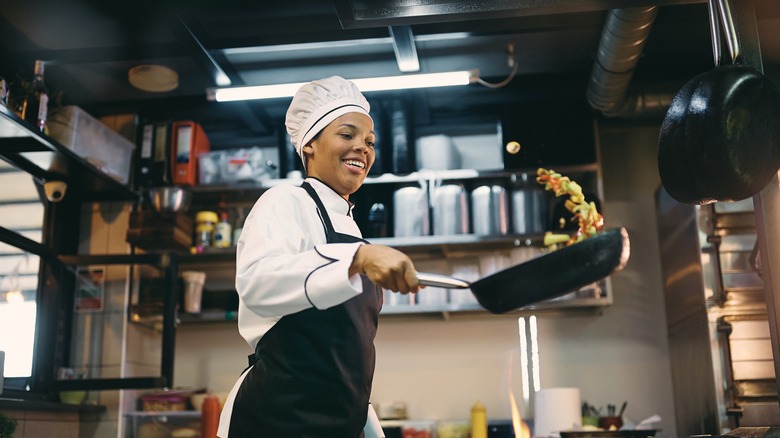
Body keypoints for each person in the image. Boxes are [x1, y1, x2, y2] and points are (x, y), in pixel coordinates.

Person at [217, 76, 422, 438]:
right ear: (309, 143)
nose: (362, 148)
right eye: (348, 135)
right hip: (275, 419)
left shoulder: (354, 230)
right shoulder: (284, 201)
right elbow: (257, 283)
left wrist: (367, 425)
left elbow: (346, 366)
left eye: (369, 142)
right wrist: (357, 259)